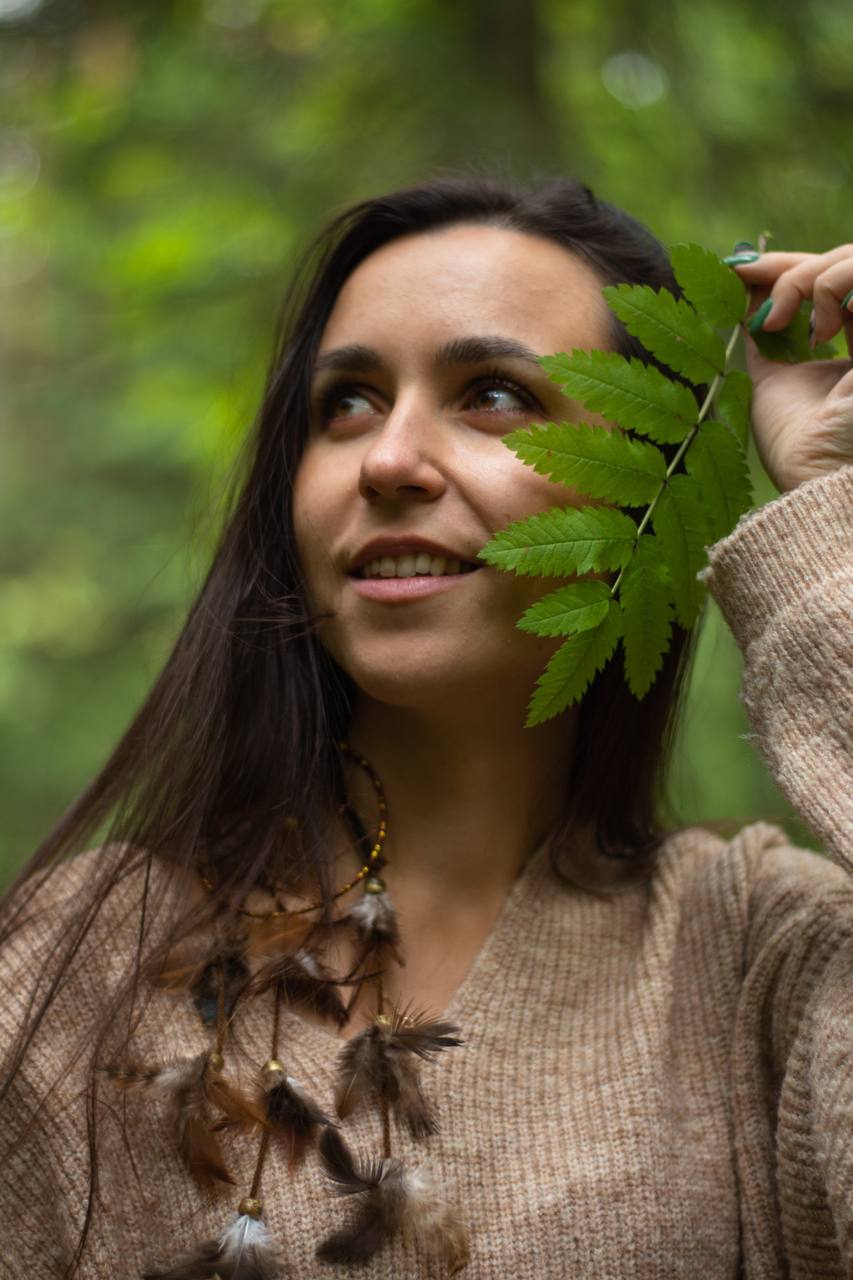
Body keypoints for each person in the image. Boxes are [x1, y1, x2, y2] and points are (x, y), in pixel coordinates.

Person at [0, 175, 851, 1280]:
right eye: (343, 404)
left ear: (646, 489)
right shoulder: (73, 969)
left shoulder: (760, 956)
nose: (388, 458)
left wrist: (830, 532)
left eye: (492, 393)